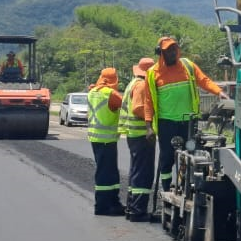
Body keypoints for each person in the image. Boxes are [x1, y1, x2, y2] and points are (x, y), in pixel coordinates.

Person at [144, 36, 230, 193]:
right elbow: (148, 102)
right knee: (167, 158)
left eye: (174, 49)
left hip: (189, 123)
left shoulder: (188, 66)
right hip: (166, 123)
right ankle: (166, 189)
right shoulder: (152, 74)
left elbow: (204, 81)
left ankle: (185, 186)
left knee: (190, 153)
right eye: (168, 50)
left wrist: (220, 92)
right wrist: (148, 126)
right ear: (160, 53)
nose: (172, 53)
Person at [119, 57, 156, 222]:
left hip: (133, 135)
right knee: (143, 173)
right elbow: (138, 108)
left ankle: (131, 208)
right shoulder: (141, 85)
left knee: (136, 171)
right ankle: (138, 211)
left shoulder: (132, 83)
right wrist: (152, 121)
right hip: (141, 135)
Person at [87, 67, 125, 216]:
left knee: (110, 171)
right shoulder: (111, 94)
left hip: (96, 138)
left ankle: (113, 202)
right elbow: (127, 105)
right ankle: (102, 206)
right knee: (104, 173)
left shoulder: (92, 92)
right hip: (106, 139)